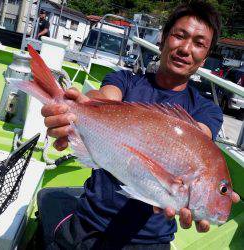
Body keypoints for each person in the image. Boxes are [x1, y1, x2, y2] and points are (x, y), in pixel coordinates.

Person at [38, 1, 240, 249]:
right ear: (163, 39)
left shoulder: (206, 110)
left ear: (205, 57)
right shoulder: (125, 80)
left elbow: (200, 138)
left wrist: (204, 191)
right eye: (179, 36)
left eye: (198, 44)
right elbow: (105, 98)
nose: (186, 49)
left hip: (150, 241)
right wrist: (79, 106)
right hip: (89, 223)